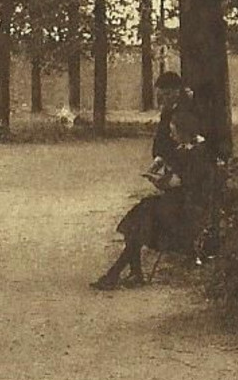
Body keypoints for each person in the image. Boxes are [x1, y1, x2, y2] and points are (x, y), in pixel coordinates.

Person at [92, 110, 218, 290]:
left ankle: (121, 274)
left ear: (184, 132)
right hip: (177, 205)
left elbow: (176, 183)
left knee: (142, 218)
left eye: (173, 132)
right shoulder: (187, 148)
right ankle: (123, 274)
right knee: (140, 216)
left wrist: (155, 180)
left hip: (188, 212)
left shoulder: (197, 155)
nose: (171, 135)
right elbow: (173, 176)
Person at [151, 70, 199, 163]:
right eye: (161, 95)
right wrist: (159, 155)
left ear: (178, 91)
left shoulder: (190, 109)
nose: (164, 99)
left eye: (167, 94)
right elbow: (161, 135)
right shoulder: (167, 111)